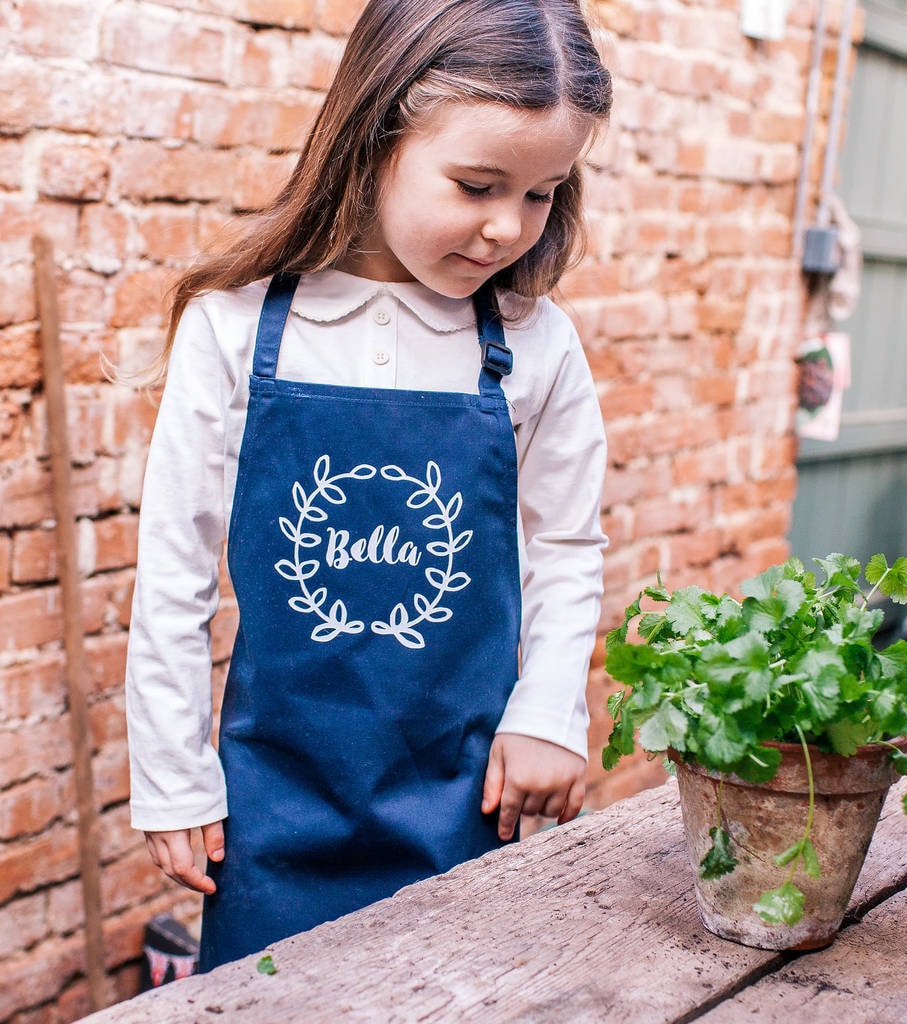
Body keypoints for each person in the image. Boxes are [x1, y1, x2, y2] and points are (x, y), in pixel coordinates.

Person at [125, 0, 613, 971]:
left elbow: (565, 544)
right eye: (476, 185)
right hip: (273, 809)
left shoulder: (537, 344)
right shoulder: (233, 328)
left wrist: (549, 711)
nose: (506, 227)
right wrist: (173, 775)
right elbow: (174, 572)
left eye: (541, 193)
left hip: (469, 798)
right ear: (376, 136)